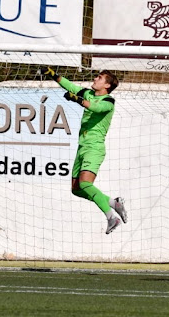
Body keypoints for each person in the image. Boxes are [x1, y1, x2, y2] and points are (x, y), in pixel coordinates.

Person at [42, 67, 126, 234]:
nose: (95, 79)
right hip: (82, 147)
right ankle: (113, 203)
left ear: (107, 85)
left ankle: (111, 217)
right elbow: (70, 87)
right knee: (76, 189)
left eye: (99, 78)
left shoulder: (109, 102)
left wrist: (76, 100)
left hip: (94, 148)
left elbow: (95, 108)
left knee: (86, 183)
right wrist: (53, 74)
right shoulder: (87, 93)